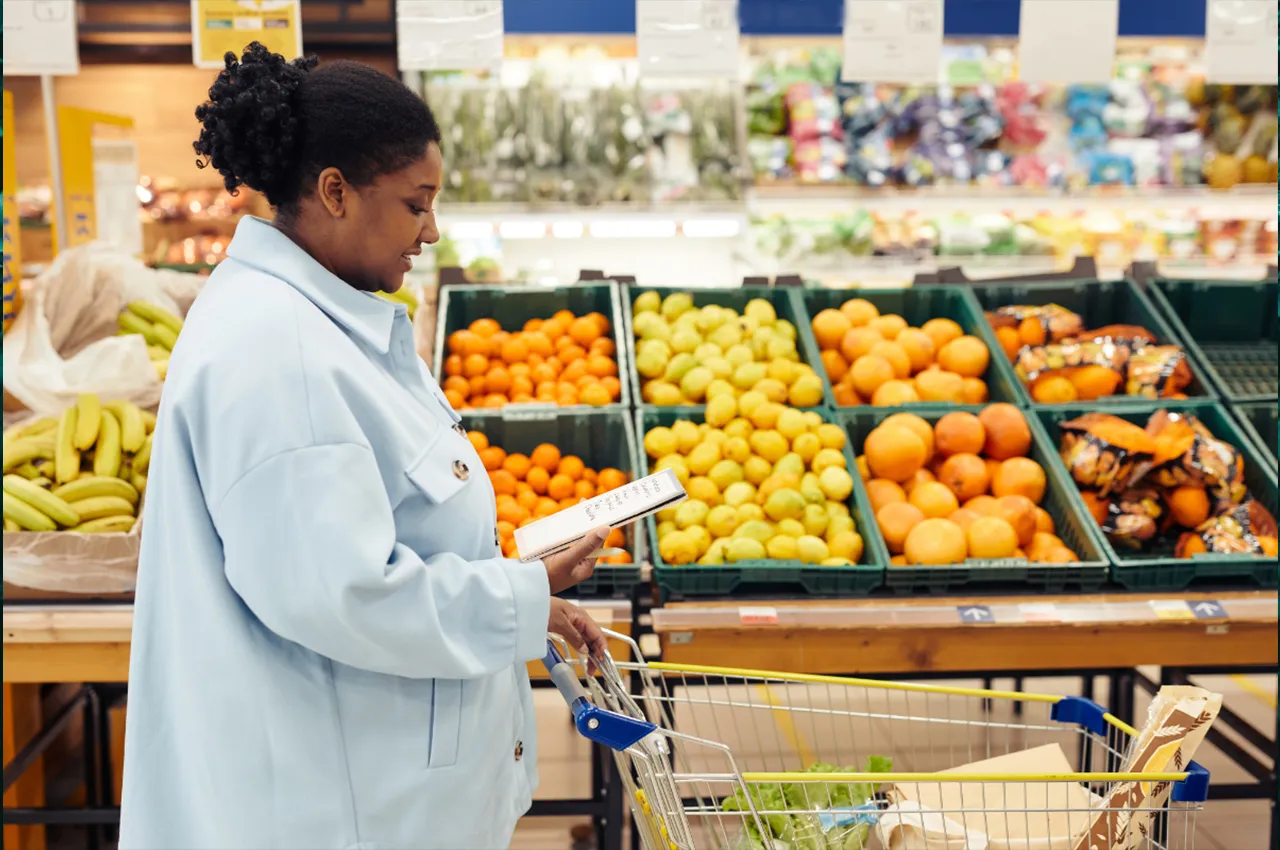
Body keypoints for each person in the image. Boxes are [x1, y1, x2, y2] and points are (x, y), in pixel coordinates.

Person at [119, 43, 609, 850]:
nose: (431, 230)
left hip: (366, 791)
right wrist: (516, 600)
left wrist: (522, 597)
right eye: (417, 204)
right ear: (336, 191)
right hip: (332, 812)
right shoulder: (279, 352)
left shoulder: (319, 321)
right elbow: (341, 592)